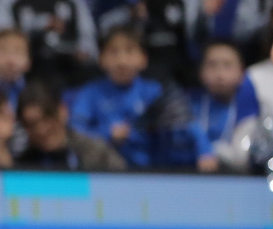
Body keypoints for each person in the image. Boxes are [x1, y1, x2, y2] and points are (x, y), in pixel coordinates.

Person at [69, 25, 193, 167]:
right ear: (101, 59)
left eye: (129, 51)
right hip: (104, 170)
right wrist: (107, 133)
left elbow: (184, 124)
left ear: (143, 58)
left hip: (153, 170)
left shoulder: (156, 92)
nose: (121, 61)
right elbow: (75, 130)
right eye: (113, 52)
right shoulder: (90, 93)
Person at [14, 79, 126, 170]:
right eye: (31, 124)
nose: (41, 129)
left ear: (63, 111)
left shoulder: (97, 153)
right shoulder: (21, 164)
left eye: (48, 117)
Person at [190, 41, 256, 172]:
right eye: (212, 65)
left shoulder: (250, 107)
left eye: (228, 65)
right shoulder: (187, 104)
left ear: (241, 72)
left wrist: (212, 152)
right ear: (200, 71)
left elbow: (242, 158)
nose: (220, 74)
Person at [0, 27, 31, 106]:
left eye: (18, 52)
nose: (10, 59)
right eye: (3, 51)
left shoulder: (36, 93)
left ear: (29, 61)